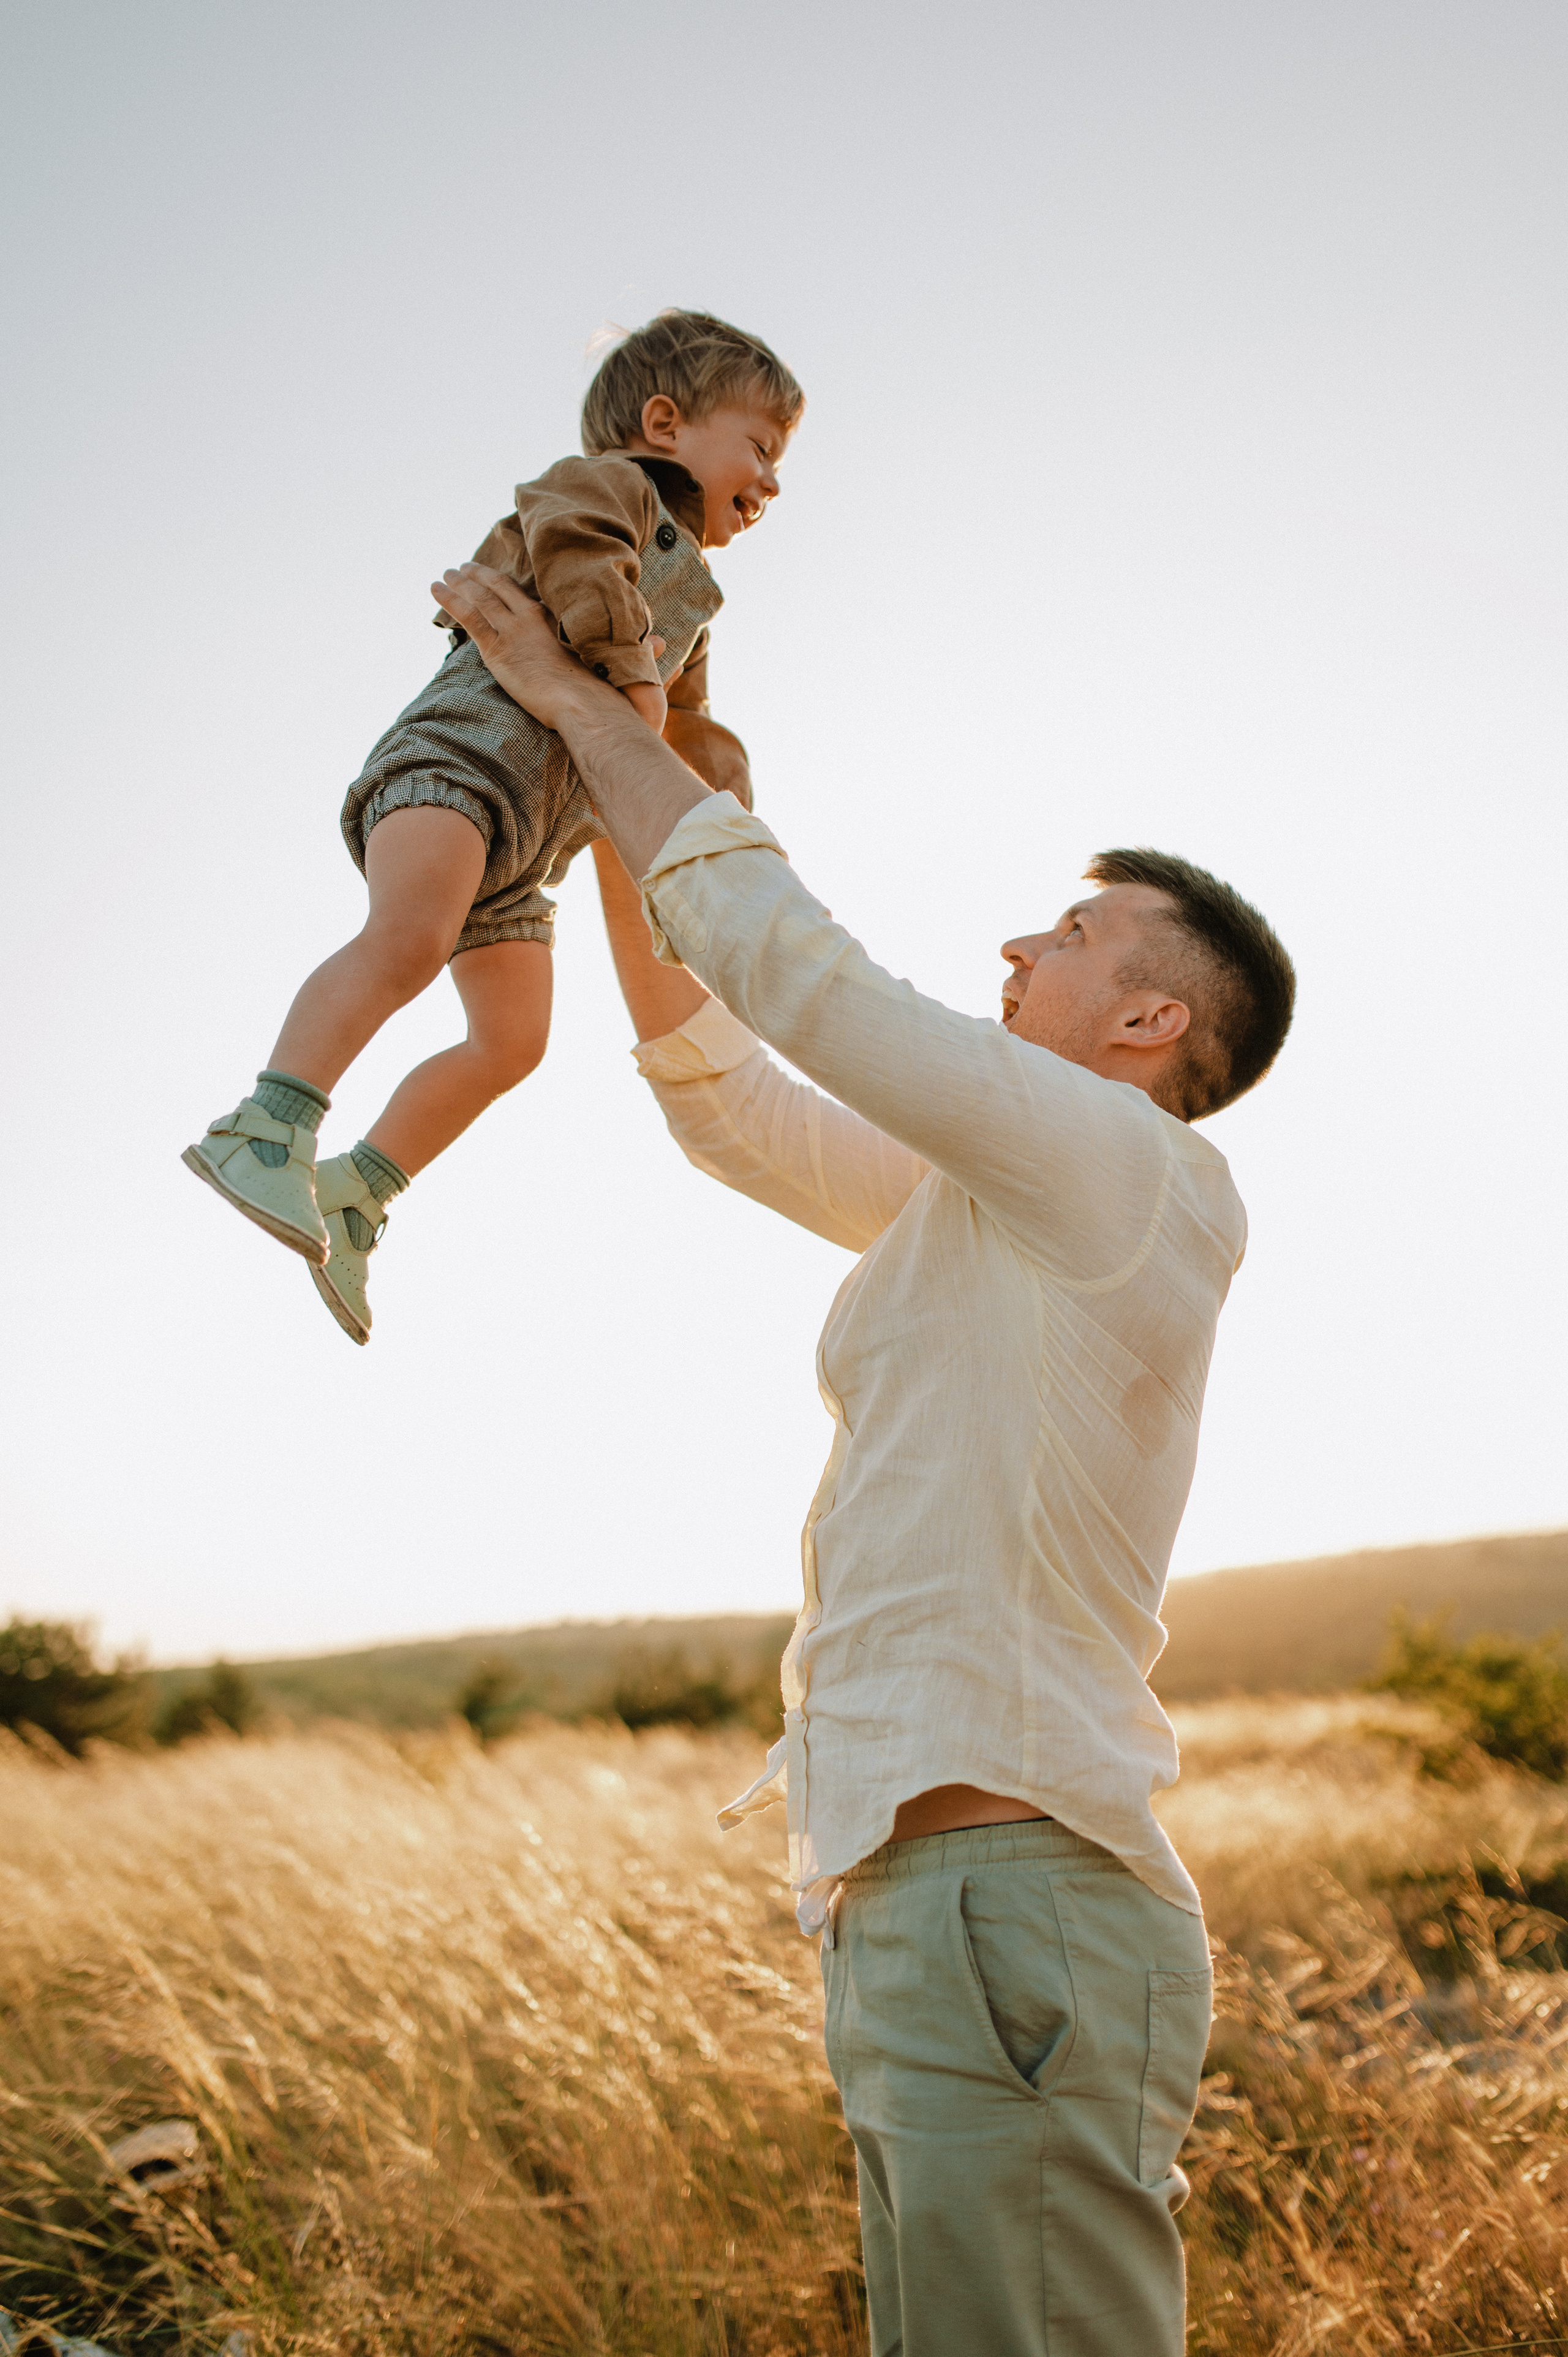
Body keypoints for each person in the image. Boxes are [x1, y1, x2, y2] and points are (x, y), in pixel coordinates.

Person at [435, 561, 1295, 2357]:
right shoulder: (988, 1200)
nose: (1016, 949)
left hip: (1018, 1904)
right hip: (926, 1908)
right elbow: (726, 1084)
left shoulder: (1124, 1172)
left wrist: (583, 703)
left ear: (1149, 1026)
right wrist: (623, 798)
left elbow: (808, 981)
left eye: (1066, 935)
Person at [181, 310, 802, 1342]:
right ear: (664, 421)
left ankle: (356, 1190)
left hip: (524, 855)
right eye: (763, 448)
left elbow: (679, 727)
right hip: (458, 766)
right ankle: (269, 1122)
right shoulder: (601, 488)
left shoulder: (696, 591)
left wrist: (715, 771)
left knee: (513, 1042)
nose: (774, 480)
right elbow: (573, 556)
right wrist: (630, 669)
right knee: (408, 941)